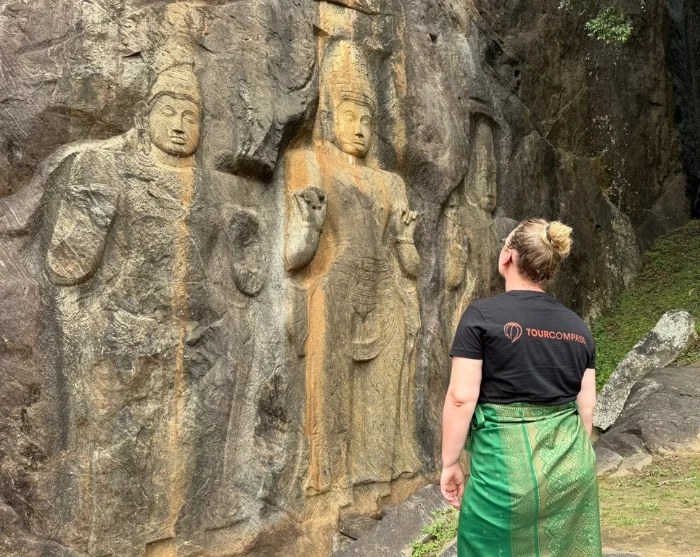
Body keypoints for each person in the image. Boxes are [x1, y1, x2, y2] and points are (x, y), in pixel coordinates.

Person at [440, 218, 602, 556]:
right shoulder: (578, 327)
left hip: (505, 477)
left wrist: (450, 463)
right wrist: (568, 463)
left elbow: (460, 398)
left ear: (507, 256)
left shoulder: (481, 316)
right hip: (572, 471)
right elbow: (586, 407)